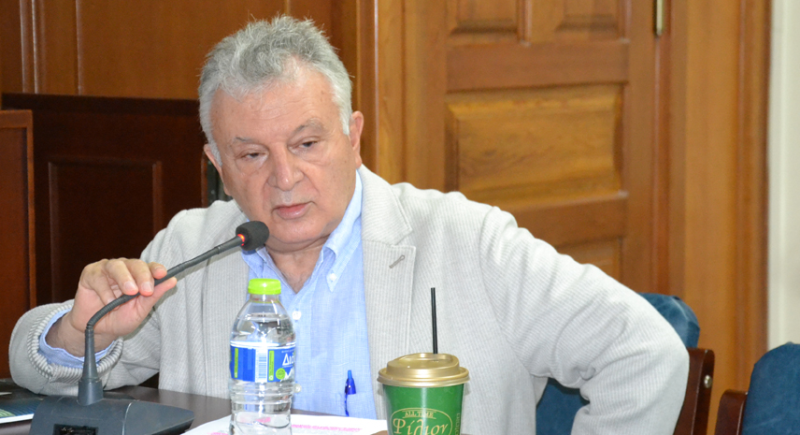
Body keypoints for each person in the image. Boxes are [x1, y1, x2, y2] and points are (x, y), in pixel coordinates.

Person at [9, 17, 688, 434]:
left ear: (354, 136)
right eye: (252, 155)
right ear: (217, 166)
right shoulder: (193, 247)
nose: (284, 177)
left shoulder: (465, 240)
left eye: (307, 144)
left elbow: (645, 354)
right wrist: (80, 329)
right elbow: (37, 368)